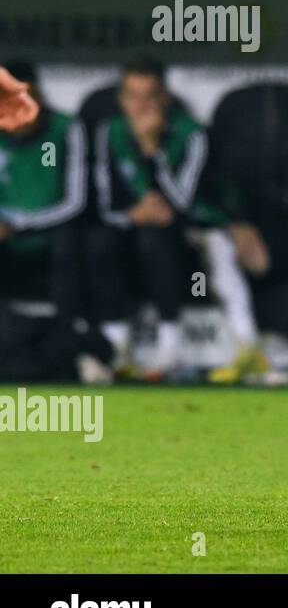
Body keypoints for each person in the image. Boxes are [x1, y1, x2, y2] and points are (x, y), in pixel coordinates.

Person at [89, 57, 263, 379]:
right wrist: (133, 214)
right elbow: (103, 199)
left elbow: (182, 200)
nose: (141, 106)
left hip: (195, 224)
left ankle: (225, 346)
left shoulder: (191, 133)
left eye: (150, 96)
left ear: (165, 97)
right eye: (133, 96)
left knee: (192, 247)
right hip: (134, 224)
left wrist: (152, 149)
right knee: (101, 241)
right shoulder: (109, 132)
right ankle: (115, 348)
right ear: (121, 99)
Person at [0, 61, 90, 352]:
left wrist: (18, 224)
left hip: (52, 233)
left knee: (74, 242)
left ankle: (69, 345)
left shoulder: (65, 129)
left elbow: (76, 201)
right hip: (5, 237)